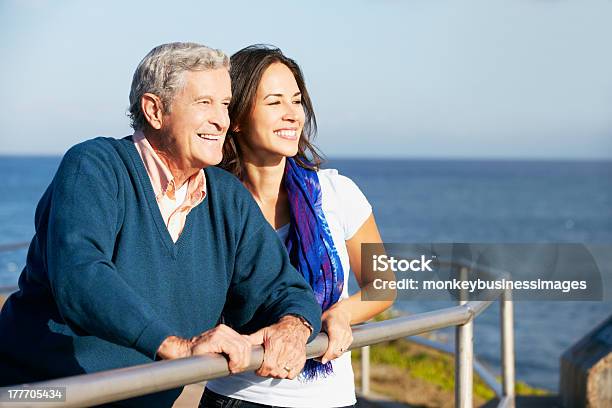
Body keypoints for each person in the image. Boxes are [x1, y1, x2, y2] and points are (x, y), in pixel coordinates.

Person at [0, 42, 322, 407]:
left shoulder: (229, 197)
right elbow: (80, 274)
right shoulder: (94, 165)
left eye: (225, 104)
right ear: (154, 110)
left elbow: (288, 288)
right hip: (40, 395)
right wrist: (177, 347)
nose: (222, 120)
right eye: (204, 103)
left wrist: (295, 326)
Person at [203, 45, 395, 408]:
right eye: (275, 102)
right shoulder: (208, 199)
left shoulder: (338, 193)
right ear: (238, 117)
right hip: (232, 394)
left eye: (297, 101)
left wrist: (341, 313)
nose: (292, 115)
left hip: (324, 397)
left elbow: (383, 285)